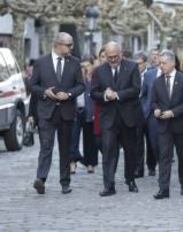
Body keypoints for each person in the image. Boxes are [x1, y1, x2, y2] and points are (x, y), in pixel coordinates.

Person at [30, 32, 85, 194]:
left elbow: (81, 86)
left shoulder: (75, 63)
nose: (71, 48)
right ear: (57, 45)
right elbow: (33, 86)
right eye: (68, 45)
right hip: (46, 112)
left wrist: (68, 94)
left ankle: (65, 182)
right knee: (46, 146)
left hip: (66, 112)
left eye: (71, 45)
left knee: (65, 148)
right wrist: (45, 92)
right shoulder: (41, 62)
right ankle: (41, 179)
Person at [91, 41, 143, 197]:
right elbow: (93, 92)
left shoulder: (132, 67)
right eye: (109, 57)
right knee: (108, 152)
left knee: (130, 151)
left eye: (115, 56)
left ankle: (130, 179)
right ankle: (109, 185)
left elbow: (136, 89)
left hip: (128, 116)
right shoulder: (99, 71)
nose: (112, 60)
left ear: (121, 54)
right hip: (108, 118)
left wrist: (117, 95)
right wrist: (105, 96)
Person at [151, 50, 183, 199]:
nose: (161, 66)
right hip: (163, 126)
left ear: (172, 63)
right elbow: (153, 101)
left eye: (164, 63)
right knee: (164, 157)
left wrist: (173, 112)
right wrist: (156, 109)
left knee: (182, 156)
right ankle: (163, 189)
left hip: (180, 125)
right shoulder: (157, 81)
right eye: (160, 63)